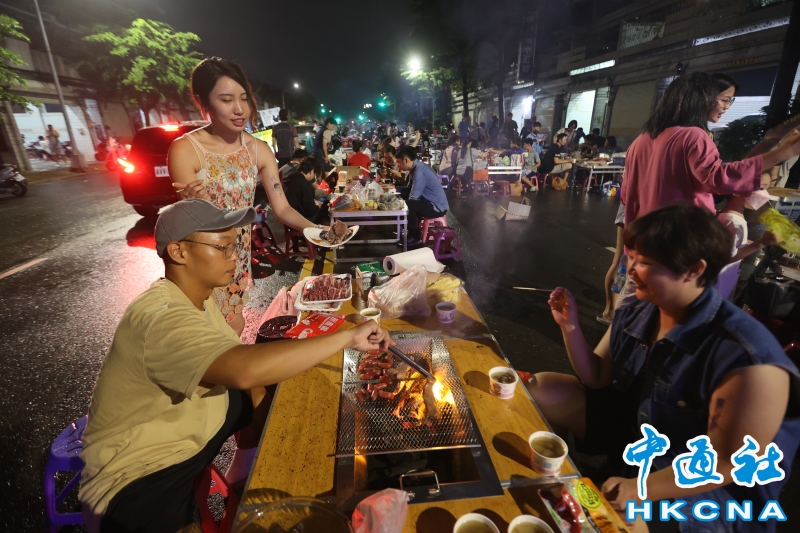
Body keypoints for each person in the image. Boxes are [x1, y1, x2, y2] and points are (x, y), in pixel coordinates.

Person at [79, 199, 391, 533]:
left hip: (187, 435)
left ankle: (244, 470)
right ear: (178, 252)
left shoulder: (199, 300)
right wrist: (347, 338)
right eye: (223, 247)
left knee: (266, 388)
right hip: (140, 477)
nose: (236, 257)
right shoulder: (160, 318)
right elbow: (243, 369)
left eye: (236, 246)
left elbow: (247, 369)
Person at [524, 205, 800, 533]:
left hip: (709, 487)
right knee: (542, 388)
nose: (630, 269)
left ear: (694, 270)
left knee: (622, 521)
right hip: (645, 436)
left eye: (645, 263)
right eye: (631, 258)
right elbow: (596, 376)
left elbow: (727, 460)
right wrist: (569, 326)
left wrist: (641, 489)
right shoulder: (639, 308)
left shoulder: (747, 357)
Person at [618, 72, 800, 308]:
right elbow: (717, 178)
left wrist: (767, 144)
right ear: (701, 98)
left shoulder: (641, 141)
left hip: (642, 249)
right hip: (677, 251)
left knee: (628, 314)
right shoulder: (693, 136)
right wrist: (782, 153)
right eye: (724, 99)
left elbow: (626, 197)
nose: (726, 106)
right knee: (670, 320)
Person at [168, 57, 318, 335]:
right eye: (226, 100)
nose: (239, 109)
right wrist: (193, 206)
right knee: (212, 333)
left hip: (236, 260)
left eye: (244, 99)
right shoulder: (185, 150)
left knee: (234, 324)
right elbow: (190, 228)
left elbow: (282, 208)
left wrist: (318, 231)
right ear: (202, 101)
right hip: (201, 260)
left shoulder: (259, 150)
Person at [715, 192, 777, 299]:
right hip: (718, 287)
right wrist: (762, 242)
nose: (765, 194)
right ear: (737, 192)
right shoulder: (734, 222)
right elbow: (727, 257)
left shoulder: (729, 217)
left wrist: (745, 243)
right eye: (761, 188)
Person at [395, 145, 449, 245]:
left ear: (405, 160)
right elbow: (409, 189)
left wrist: (401, 202)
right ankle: (405, 228)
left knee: (408, 205)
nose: (398, 165)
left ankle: (415, 236)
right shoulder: (417, 168)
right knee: (403, 200)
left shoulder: (419, 171)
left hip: (436, 206)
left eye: (399, 162)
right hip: (430, 202)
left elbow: (414, 197)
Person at [283, 157, 329, 224]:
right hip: (300, 220)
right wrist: (318, 206)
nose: (313, 178)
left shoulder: (289, 177)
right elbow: (311, 211)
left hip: (287, 218)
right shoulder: (304, 184)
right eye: (315, 175)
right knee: (326, 208)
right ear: (312, 171)